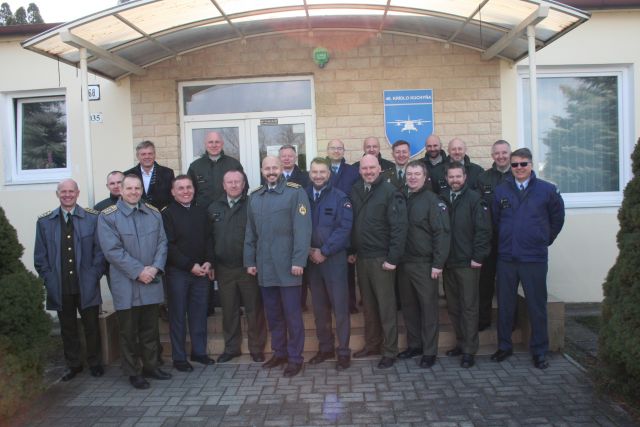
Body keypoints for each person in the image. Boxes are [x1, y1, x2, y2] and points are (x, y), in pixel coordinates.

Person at [491, 148, 565, 369]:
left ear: (531, 164)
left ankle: (539, 351)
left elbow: (558, 218)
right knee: (505, 305)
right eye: (515, 164)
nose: (519, 168)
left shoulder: (547, 190)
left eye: (523, 164)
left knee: (536, 306)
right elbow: (495, 220)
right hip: (507, 258)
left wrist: (544, 239)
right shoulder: (501, 190)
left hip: (534, 258)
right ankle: (504, 346)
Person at [98, 174, 171, 389]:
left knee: (150, 330)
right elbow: (112, 251)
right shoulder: (108, 217)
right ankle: (133, 372)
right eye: (129, 188)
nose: (133, 192)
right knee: (129, 332)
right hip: (126, 283)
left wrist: (155, 268)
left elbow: (162, 243)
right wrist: (139, 271)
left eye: (137, 188)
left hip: (151, 280)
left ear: (142, 190)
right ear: (120, 190)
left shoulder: (153, 213)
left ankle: (151, 366)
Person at [244, 156, 312, 377]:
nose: (271, 171)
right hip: (265, 268)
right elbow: (250, 233)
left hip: (289, 267)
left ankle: (295, 358)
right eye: (267, 168)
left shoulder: (295, 193)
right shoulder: (255, 197)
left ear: (281, 169)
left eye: (275, 167)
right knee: (273, 315)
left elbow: (303, 230)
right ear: (262, 170)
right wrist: (250, 261)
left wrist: (299, 261)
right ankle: (279, 352)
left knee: (292, 316)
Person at [34, 179, 106, 382]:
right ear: (57, 194)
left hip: (86, 284)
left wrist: (94, 274)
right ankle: (73, 364)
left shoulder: (92, 218)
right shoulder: (45, 222)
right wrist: (49, 278)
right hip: (60, 285)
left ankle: (95, 363)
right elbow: (40, 256)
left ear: (77, 193)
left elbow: (100, 251)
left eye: (71, 191)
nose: (67, 195)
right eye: (63, 192)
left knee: (91, 326)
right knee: (67, 328)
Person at [350, 154, 407, 369]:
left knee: (386, 307)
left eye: (372, 168)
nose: (368, 171)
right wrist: (352, 249)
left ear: (379, 168)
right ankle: (372, 344)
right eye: (364, 168)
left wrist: (393, 258)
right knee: (369, 306)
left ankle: (390, 350)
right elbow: (353, 222)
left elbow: (399, 228)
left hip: (382, 259)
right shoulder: (356, 190)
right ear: (360, 171)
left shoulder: (390, 192)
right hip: (362, 257)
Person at [209, 169, 267, 363]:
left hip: (248, 268)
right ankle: (231, 348)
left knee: (254, 309)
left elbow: (260, 235)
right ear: (223, 185)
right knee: (229, 310)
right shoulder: (214, 207)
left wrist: (256, 261)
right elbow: (209, 239)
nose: (234, 185)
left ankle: (256, 348)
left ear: (243, 185)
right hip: (224, 268)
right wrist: (212, 263)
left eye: (237, 182)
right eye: (230, 182)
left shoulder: (252, 204)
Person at [397, 161, 450, 369]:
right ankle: (415, 345)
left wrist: (438, 263)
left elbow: (442, 233)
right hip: (404, 263)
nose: (412, 177)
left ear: (425, 177)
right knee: (409, 308)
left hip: (425, 264)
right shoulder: (401, 197)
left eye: (416, 174)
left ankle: (429, 351)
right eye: (409, 174)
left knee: (428, 309)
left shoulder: (432, 200)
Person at [161, 175, 215, 372]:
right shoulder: (167, 214)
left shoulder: (201, 212)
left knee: (199, 314)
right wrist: (189, 265)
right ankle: (179, 357)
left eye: (189, 187)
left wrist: (209, 261)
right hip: (178, 273)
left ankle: (199, 352)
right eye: (181, 188)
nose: (186, 191)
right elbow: (169, 245)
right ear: (173, 192)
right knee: (177, 315)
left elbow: (209, 239)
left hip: (201, 272)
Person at [442, 162, 491, 368]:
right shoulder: (442, 199)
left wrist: (478, 257)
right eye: (451, 177)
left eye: (458, 176)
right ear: (447, 179)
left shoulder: (475, 199)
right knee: (454, 306)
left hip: (468, 263)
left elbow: (483, 231)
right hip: (448, 262)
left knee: (469, 307)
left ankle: (470, 350)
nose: (455, 180)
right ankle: (461, 343)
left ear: (465, 178)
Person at [305, 158, 353, 370]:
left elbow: (344, 229)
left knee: (340, 308)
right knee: (319, 309)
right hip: (311, 260)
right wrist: (307, 250)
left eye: (322, 172)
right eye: (314, 172)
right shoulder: (302, 196)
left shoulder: (340, 198)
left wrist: (324, 251)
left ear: (329, 174)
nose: (318, 176)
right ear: (310, 174)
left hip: (334, 260)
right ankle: (325, 348)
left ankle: (343, 352)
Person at [476, 140, 512, 331]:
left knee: (507, 283)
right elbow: (479, 208)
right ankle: (483, 320)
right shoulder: (484, 178)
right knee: (485, 283)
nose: (501, 156)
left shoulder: (517, 175)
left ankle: (509, 322)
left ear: (510, 154)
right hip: (489, 239)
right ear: (492, 156)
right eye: (497, 153)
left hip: (510, 240)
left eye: (504, 152)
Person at [326, 138, 360, 314]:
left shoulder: (352, 172)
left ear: (344, 151)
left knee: (347, 271)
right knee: (327, 272)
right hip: (325, 228)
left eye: (339, 148)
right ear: (327, 150)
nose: (336, 151)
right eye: (333, 148)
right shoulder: (320, 170)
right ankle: (330, 304)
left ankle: (349, 305)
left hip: (346, 227)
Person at [187, 130, 243, 209]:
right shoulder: (195, 166)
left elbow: (244, 187)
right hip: (203, 212)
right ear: (205, 144)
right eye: (210, 142)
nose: (214, 145)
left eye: (217, 142)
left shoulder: (234, 164)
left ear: (222, 144)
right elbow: (189, 191)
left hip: (230, 212)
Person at [124, 141, 175, 210]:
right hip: (135, 214)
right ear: (137, 156)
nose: (147, 157)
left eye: (150, 154)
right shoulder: (127, 175)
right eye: (143, 154)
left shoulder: (168, 173)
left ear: (154, 155)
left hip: (161, 214)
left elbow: (172, 197)